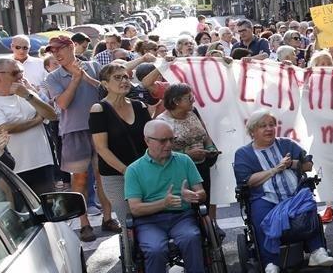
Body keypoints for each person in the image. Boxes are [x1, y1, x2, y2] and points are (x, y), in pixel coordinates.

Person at [124, 120, 211, 273]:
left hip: (181, 216)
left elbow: (201, 193)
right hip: (149, 220)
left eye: (171, 140)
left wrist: (195, 195)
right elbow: (134, 209)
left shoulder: (184, 161)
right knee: (154, 250)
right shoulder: (134, 170)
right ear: (147, 141)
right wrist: (162, 204)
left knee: (192, 236)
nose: (169, 145)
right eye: (163, 141)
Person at [232, 110, 333, 273]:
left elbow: (308, 165)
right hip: (266, 198)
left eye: (271, 125)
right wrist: (275, 169)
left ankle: (317, 251)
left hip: (293, 195)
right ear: (252, 131)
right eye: (263, 126)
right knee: (260, 219)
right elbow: (248, 181)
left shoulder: (286, 144)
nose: (269, 129)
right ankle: (271, 264)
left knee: (308, 205)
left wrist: (291, 164)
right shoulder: (243, 154)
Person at [45, 36, 124, 242]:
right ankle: (84, 224)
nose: (56, 54)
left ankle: (108, 218)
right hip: (73, 131)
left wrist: (85, 76)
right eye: (52, 51)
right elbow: (62, 104)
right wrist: (75, 79)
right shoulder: (52, 77)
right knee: (79, 179)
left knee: (103, 176)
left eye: (59, 49)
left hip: (101, 128)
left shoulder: (94, 65)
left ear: (71, 47)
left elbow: (109, 89)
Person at [89, 63, 153, 226]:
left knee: (153, 217)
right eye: (117, 77)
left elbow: (151, 139)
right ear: (105, 84)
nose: (124, 81)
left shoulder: (139, 106)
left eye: (126, 77)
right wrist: (128, 171)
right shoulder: (99, 109)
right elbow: (101, 148)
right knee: (130, 223)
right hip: (116, 176)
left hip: (146, 172)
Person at [0, 58, 59, 192]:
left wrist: (28, 96)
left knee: (49, 207)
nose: (20, 76)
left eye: (21, 72)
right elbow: (4, 128)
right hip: (14, 168)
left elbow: (52, 115)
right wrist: (36, 120)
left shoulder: (26, 93)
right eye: (15, 73)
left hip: (42, 162)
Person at [157, 83, 222, 228]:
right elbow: (160, 151)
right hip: (180, 170)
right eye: (189, 98)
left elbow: (205, 134)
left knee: (203, 202)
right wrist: (187, 155)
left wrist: (210, 148)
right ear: (176, 101)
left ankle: (208, 235)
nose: (193, 100)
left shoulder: (193, 112)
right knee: (188, 207)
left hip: (202, 167)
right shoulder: (162, 122)